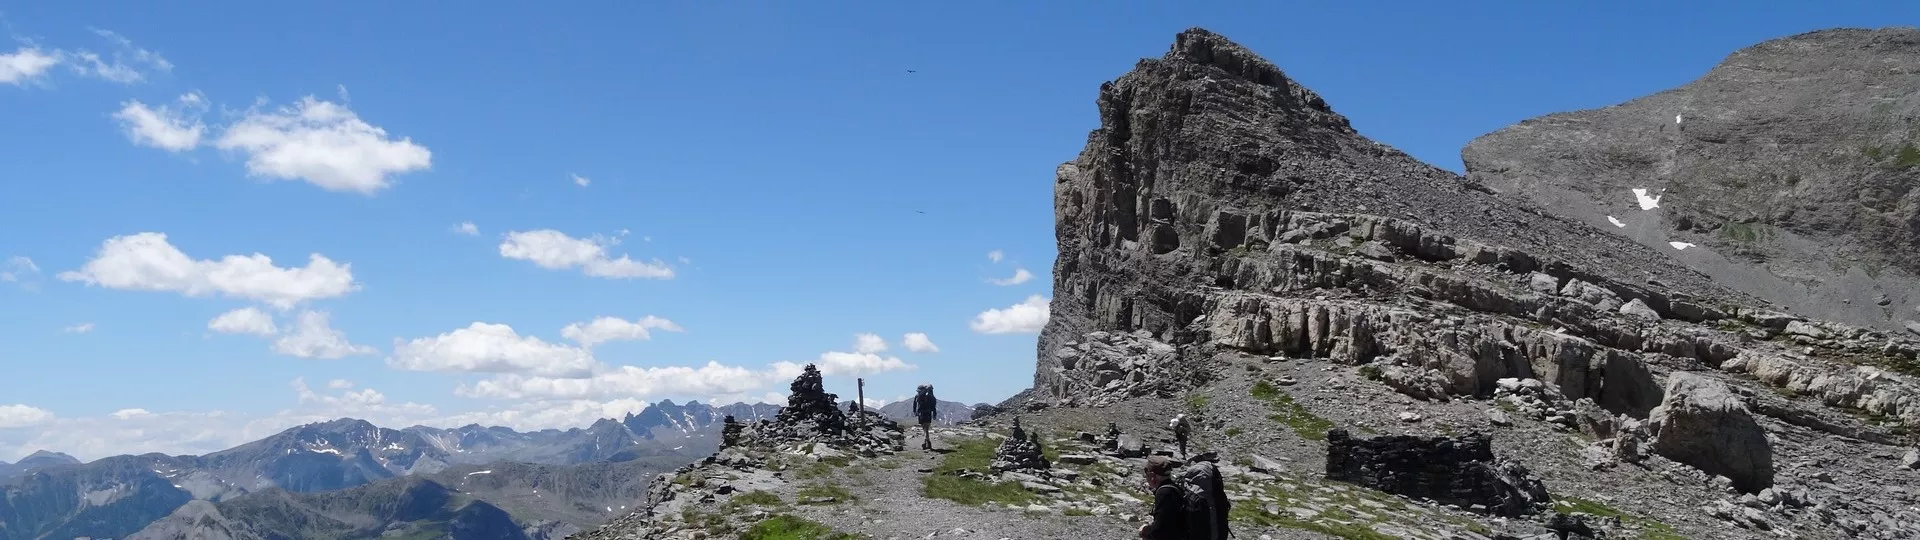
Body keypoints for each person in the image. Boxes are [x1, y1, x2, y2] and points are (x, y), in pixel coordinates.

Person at [1138, 456, 1186, 539]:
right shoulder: (1175, 488)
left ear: (1152, 475)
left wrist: (1145, 530)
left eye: (1146, 472)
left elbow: (1160, 529)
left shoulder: (1164, 493)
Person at [912, 384, 938, 450]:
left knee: (924, 428)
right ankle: (927, 441)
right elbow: (933, 407)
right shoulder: (931, 397)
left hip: (921, 414)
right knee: (926, 428)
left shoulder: (917, 396)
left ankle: (926, 441)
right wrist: (934, 414)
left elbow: (914, 405)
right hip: (928, 414)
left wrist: (915, 412)